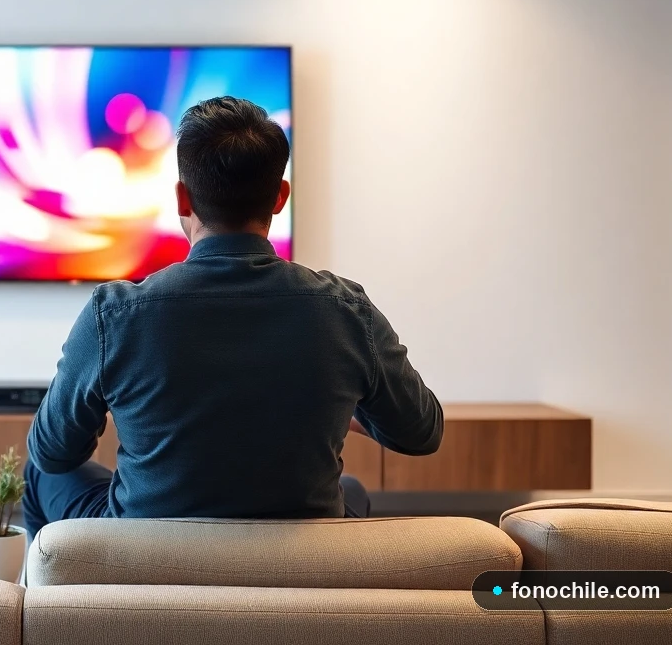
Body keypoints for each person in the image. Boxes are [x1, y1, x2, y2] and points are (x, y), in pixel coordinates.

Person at [23, 96, 443, 540]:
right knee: (350, 490)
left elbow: (53, 453)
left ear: (182, 198)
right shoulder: (346, 311)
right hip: (301, 549)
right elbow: (422, 433)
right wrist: (340, 411)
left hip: (147, 551)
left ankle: (54, 607)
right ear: (281, 197)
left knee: (38, 474)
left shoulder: (115, 314)